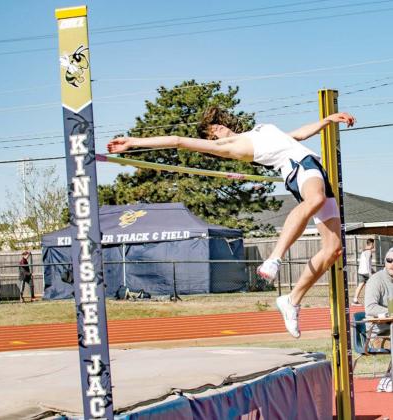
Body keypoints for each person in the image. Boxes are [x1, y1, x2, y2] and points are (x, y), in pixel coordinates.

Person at [107, 107, 355, 338]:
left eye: (216, 126)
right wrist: (133, 142)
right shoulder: (228, 146)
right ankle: (274, 258)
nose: (216, 130)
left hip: (313, 166)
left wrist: (326, 121)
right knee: (315, 199)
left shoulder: (257, 132)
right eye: (211, 132)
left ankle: (291, 300)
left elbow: (296, 136)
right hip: (299, 168)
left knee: (332, 249)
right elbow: (178, 140)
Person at [364, 247, 393, 392]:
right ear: (385, 262)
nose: (392, 263)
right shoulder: (376, 281)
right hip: (377, 334)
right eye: (389, 260)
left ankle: (387, 378)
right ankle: (388, 378)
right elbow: (370, 308)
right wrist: (390, 312)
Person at [352, 238, 375, 305]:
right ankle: (371, 301)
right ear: (371, 244)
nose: (374, 246)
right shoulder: (369, 251)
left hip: (361, 271)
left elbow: (366, 263)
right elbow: (367, 262)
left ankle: (355, 300)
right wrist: (370, 273)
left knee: (360, 285)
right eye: (373, 244)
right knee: (373, 285)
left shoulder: (363, 251)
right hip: (366, 272)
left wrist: (373, 270)